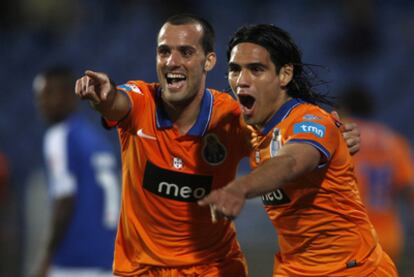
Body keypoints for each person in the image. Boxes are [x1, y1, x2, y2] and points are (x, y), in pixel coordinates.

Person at [75, 14, 360, 276]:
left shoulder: (233, 119)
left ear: (208, 61)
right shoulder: (141, 102)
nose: (172, 61)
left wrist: (332, 136)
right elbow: (115, 103)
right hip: (140, 268)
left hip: (213, 269)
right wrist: (104, 96)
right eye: (164, 51)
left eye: (185, 52)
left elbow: (288, 147)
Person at [199, 24, 397, 276]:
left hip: (354, 269)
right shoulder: (248, 123)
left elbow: (291, 162)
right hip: (295, 269)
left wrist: (239, 188)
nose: (242, 80)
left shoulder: (310, 121)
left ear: (284, 75)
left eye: (256, 69)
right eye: (235, 69)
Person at [33, 65, 120, 277]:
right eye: (40, 96)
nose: (43, 103)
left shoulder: (59, 136)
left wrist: (46, 257)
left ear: (69, 96)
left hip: (74, 261)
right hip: (109, 259)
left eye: (49, 94)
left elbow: (65, 201)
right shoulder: (97, 140)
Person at [340, 85, 414, 265]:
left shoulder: (343, 136)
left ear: (344, 109)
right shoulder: (394, 141)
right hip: (388, 238)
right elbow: (409, 190)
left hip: (350, 239)